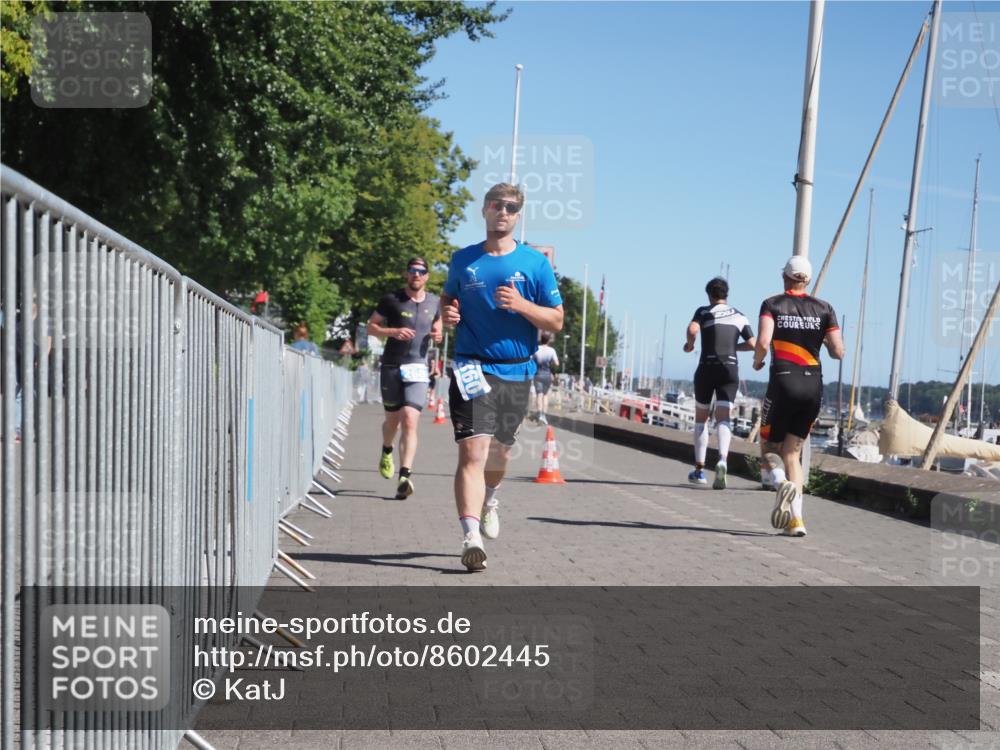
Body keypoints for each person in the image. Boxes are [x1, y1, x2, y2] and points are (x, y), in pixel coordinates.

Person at [441, 183, 564, 571]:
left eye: (511, 207)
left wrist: (524, 305)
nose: (503, 212)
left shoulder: (534, 264)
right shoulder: (463, 260)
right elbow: (448, 298)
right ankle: (470, 536)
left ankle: (491, 498)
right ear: (485, 209)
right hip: (471, 366)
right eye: (497, 205)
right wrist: (448, 315)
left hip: (517, 371)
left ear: (518, 215)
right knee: (472, 453)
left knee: (500, 452)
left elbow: (557, 320)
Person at [753, 256, 844, 537]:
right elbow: (839, 352)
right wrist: (822, 338)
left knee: (768, 446)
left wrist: (758, 361)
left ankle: (781, 484)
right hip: (813, 386)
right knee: (793, 453)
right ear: (807, 279)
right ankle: (797, 522)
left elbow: (764, 342)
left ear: (785, 277)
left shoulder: (772, 304)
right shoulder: (825, 308)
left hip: (783, 383)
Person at [367, 256, 442, 499]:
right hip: (391, 366)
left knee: (410, 418)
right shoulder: (392, 299)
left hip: (418, 367)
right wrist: (393, 331)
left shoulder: (435, 302)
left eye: (421, 271)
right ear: (406, 274)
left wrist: (438, 335)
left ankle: (405, 476)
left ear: (427, 276)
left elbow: (438, 326)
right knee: (392, 422)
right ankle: (386, 450)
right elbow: (371, 327)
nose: (416, 275)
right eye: (412, 271)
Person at [684, 277, 755, 489]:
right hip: (729, 368)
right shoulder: (739, 315)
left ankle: (699, 469)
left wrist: (689, 344)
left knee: (701, 418)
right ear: (727, 294)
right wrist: (734, 348)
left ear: (709, 295)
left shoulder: (704, 312)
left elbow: (692, 330)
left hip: (707, 367)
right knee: (724, 417)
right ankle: (723, 460)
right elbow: (752, 343)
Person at [531, 332, 560, 424]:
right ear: (548, 340)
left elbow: (530, 359)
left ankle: (539, 414)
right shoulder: (551, 350)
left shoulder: (536, 349)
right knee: (545, 395)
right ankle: (544, 415)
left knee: (539, 394)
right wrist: (550, 362)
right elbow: (557, 363)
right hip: (547, 374)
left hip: (538, 374)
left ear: (541, 339)